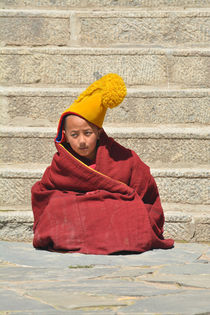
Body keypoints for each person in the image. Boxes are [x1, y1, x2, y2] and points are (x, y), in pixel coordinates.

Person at [31, 73, 174, 254]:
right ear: (65, 137)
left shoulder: (123, 158)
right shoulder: (61, 164)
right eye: (75, 135)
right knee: (58, 206)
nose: (82, 141)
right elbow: (44, 194)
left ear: (98, 133)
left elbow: (146, 193)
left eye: (87, 133)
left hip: (111, 215)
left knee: (121, 209)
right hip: (81, 215)